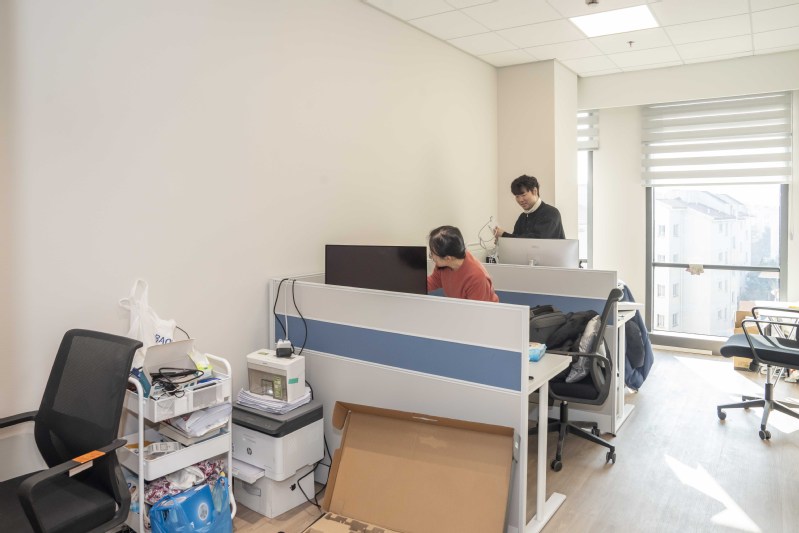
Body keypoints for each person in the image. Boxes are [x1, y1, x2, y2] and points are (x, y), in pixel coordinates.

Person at [427, 225, 499, 303]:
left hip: (482, 309)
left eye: (432, 254)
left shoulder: (476, 277)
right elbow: (433, 281)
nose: (432, 257)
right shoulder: (444, 264)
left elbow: (476, 308)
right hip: (460, 307)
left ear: (448, 258)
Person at [493, 175, 565, 240]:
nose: (520, 200)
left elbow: (536, 241)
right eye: (517, 196)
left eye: (523, 195)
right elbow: (516, 242)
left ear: (535, 191)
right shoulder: (522, 217)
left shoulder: (551, 213)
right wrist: (502, 241)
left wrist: (504, 235)